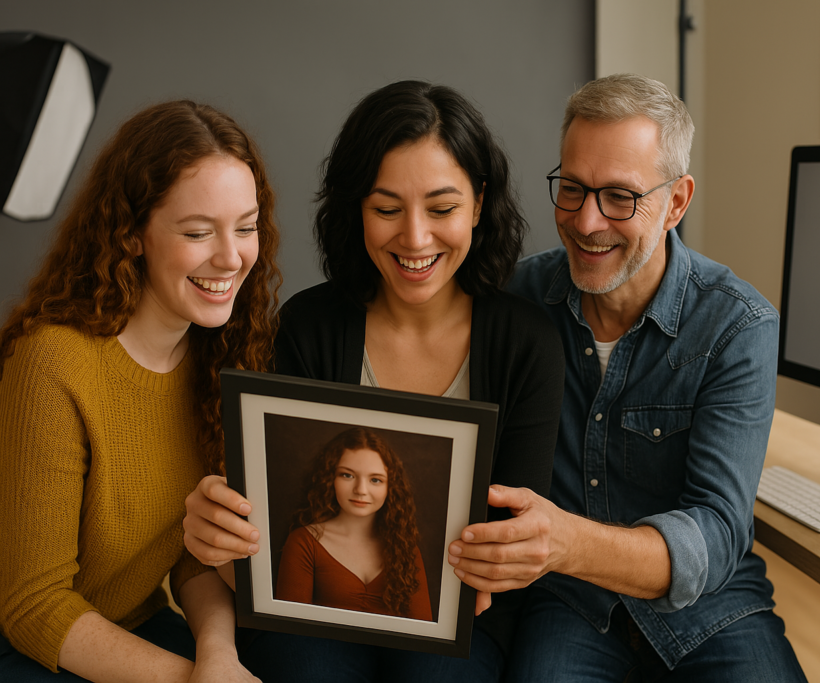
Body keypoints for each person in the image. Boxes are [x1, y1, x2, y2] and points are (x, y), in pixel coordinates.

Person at [181, 80, 564, 681]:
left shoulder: (527, 343)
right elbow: (267, 535)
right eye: (387, 209)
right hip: (310, 616)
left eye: (442, 209)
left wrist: (500, 568)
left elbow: (516, 532)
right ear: (355, 207)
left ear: (480, 203)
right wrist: (222, 541)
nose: (414, 239)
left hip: (458, 624)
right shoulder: (308, 327)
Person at [446, 74, 808, 682]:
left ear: (677, 202)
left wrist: (563, 541)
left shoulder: (737, 325)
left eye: (620, 196)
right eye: (573, 189)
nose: (588, 222)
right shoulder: (517, 301)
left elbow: (718, 530)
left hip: (711, 608)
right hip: (570, 603)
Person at [0, 100, 281, 682]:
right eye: (199, 232)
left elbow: (192, 553)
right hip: (25, 642)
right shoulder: (52, 363)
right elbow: (32, 606)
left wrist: (219, 657)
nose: (231, 257)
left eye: (246, 227)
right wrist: (193, 680)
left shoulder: (222, 354)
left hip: (129, 624)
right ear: (130, 234)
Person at [276, 427, 432, 621]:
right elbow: (289, 631)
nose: (361, 490)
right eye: (347, 475)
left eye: (375, 480)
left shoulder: (406, 549)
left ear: (390, 487)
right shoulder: (304, 542)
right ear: (329, 478)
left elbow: (424, 634)